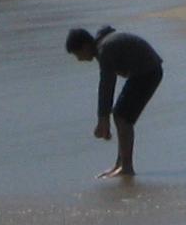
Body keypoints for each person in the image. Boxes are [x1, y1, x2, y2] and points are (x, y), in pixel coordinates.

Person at [66, 25, 163, 179]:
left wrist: (102, 119)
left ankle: (126, 167)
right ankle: (121, 164)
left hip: (148, 72)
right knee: (120, 115)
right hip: (145, 71)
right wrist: (104, 118)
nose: (79, 59)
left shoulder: (105, 50)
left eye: (78, 54)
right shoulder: (103, 44)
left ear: (85, 46)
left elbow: (107, 85)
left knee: (122, 117)